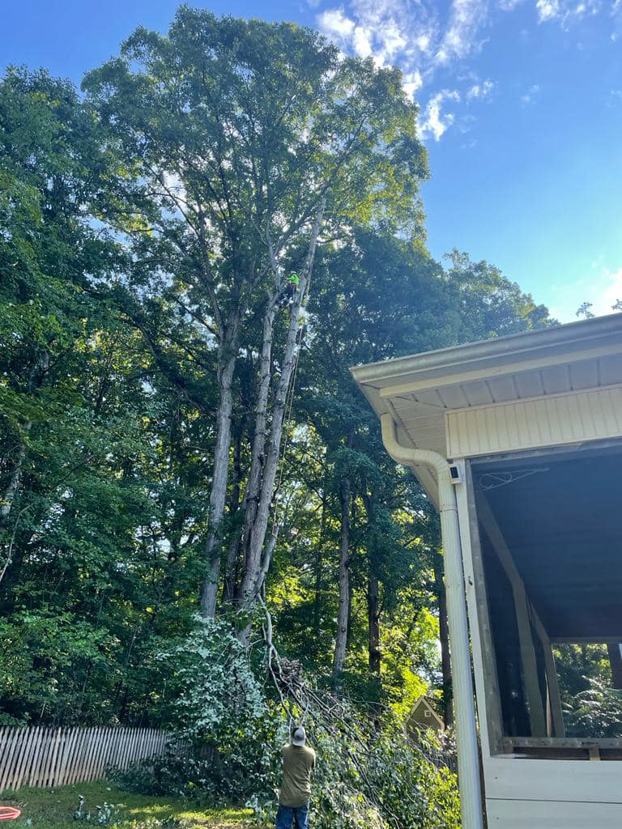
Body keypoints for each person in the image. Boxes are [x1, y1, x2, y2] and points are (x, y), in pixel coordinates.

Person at [276, 725, 316, 829]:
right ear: (305, 738)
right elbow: (312, 767)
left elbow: (284, 749)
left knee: (283, 826)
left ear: (292, 738)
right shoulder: (311, 753)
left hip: (287, 797)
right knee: (302, 826)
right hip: (303, 796)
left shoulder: (285, 750)